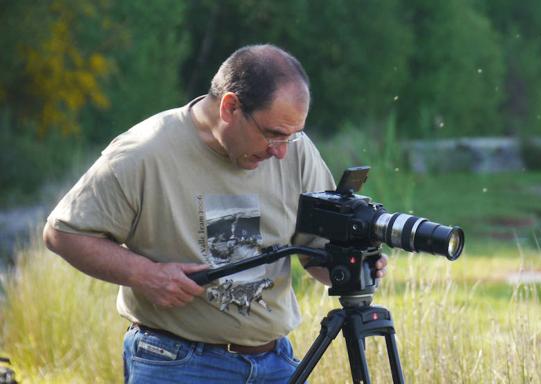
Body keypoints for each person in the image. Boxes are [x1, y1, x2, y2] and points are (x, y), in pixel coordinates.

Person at [43, 44, 387, 383]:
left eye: (292, 137)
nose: (282, 152)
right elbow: (63, 233)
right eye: (274, 135)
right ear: (230, 107)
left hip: (277, 363)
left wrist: (352, 265)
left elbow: (315, 250)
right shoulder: (143, 153)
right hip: (176, 364)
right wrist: (144, 274)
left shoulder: (295, 151)